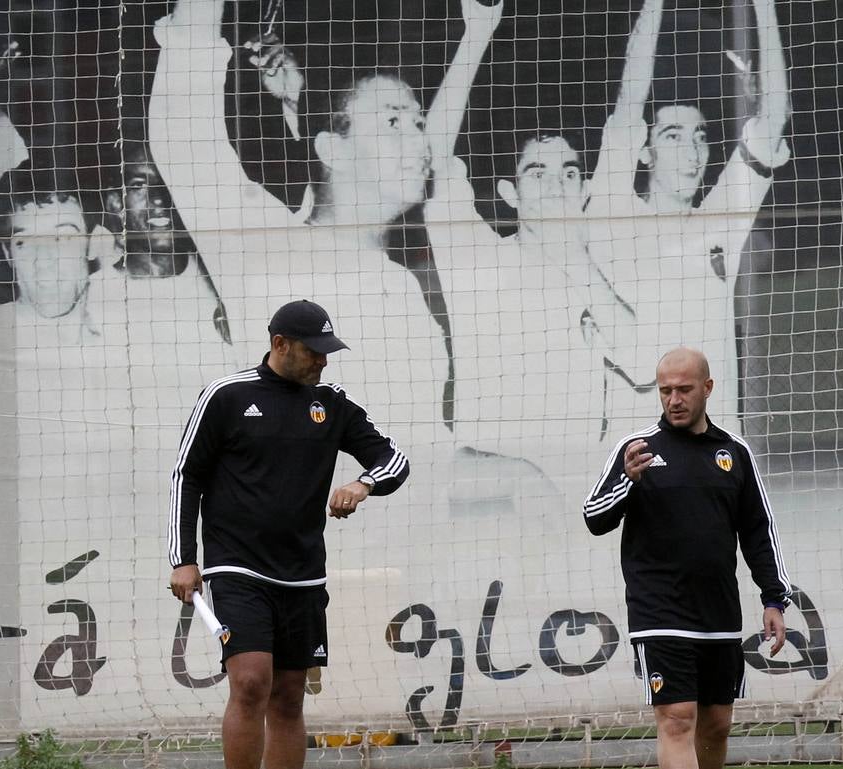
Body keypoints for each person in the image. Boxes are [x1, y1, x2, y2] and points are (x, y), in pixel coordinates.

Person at [167, 299, 410, 769]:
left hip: (303, 572)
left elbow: (392, 460)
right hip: (236, 566)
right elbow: (188, 475)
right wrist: (183, 558)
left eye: (328, 352)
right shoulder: (226, 397)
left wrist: (363, 484)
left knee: (290, 695)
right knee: (250, 681)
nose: (323, 363)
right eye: (314, 351)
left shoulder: (333, 404)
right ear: (280, 344)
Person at [148, 0, 449, 449]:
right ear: (334, 149)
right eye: (393, 120)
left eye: (418, 121)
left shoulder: (402, 283)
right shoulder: (266, 246)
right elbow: (185, 141)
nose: (421, 139)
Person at [422, 0, 639, 502]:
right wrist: (478, 32)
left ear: (584, 191)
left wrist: (578, 258)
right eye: (536, 173)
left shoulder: (598, 270)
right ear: (509, 194)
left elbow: (641, 361)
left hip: (581, 491)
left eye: (568, 173)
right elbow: (433, 156)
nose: (556, 185)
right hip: (490, 493)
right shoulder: (474, 255)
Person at [582, 346, 789, 769]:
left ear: (707, 389)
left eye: (683, 389)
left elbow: (757, 530)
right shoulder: (638, 450)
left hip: (718, 612)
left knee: (717, 725)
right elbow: (594, 516)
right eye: (665, 390)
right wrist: (627, 483)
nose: (673, 400)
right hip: (659, 611)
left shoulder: (734, 454)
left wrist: (773, 598)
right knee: (676, 717)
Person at [586, 0, 791, 428]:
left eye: (700, 136)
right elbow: (630, 100)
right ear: (645, 151)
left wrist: (766, 7)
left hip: (714, 446)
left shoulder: (722, 219)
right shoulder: (614, 212)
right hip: (636, 452)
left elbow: (773, 118)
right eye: (673, 135)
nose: (692, 151)